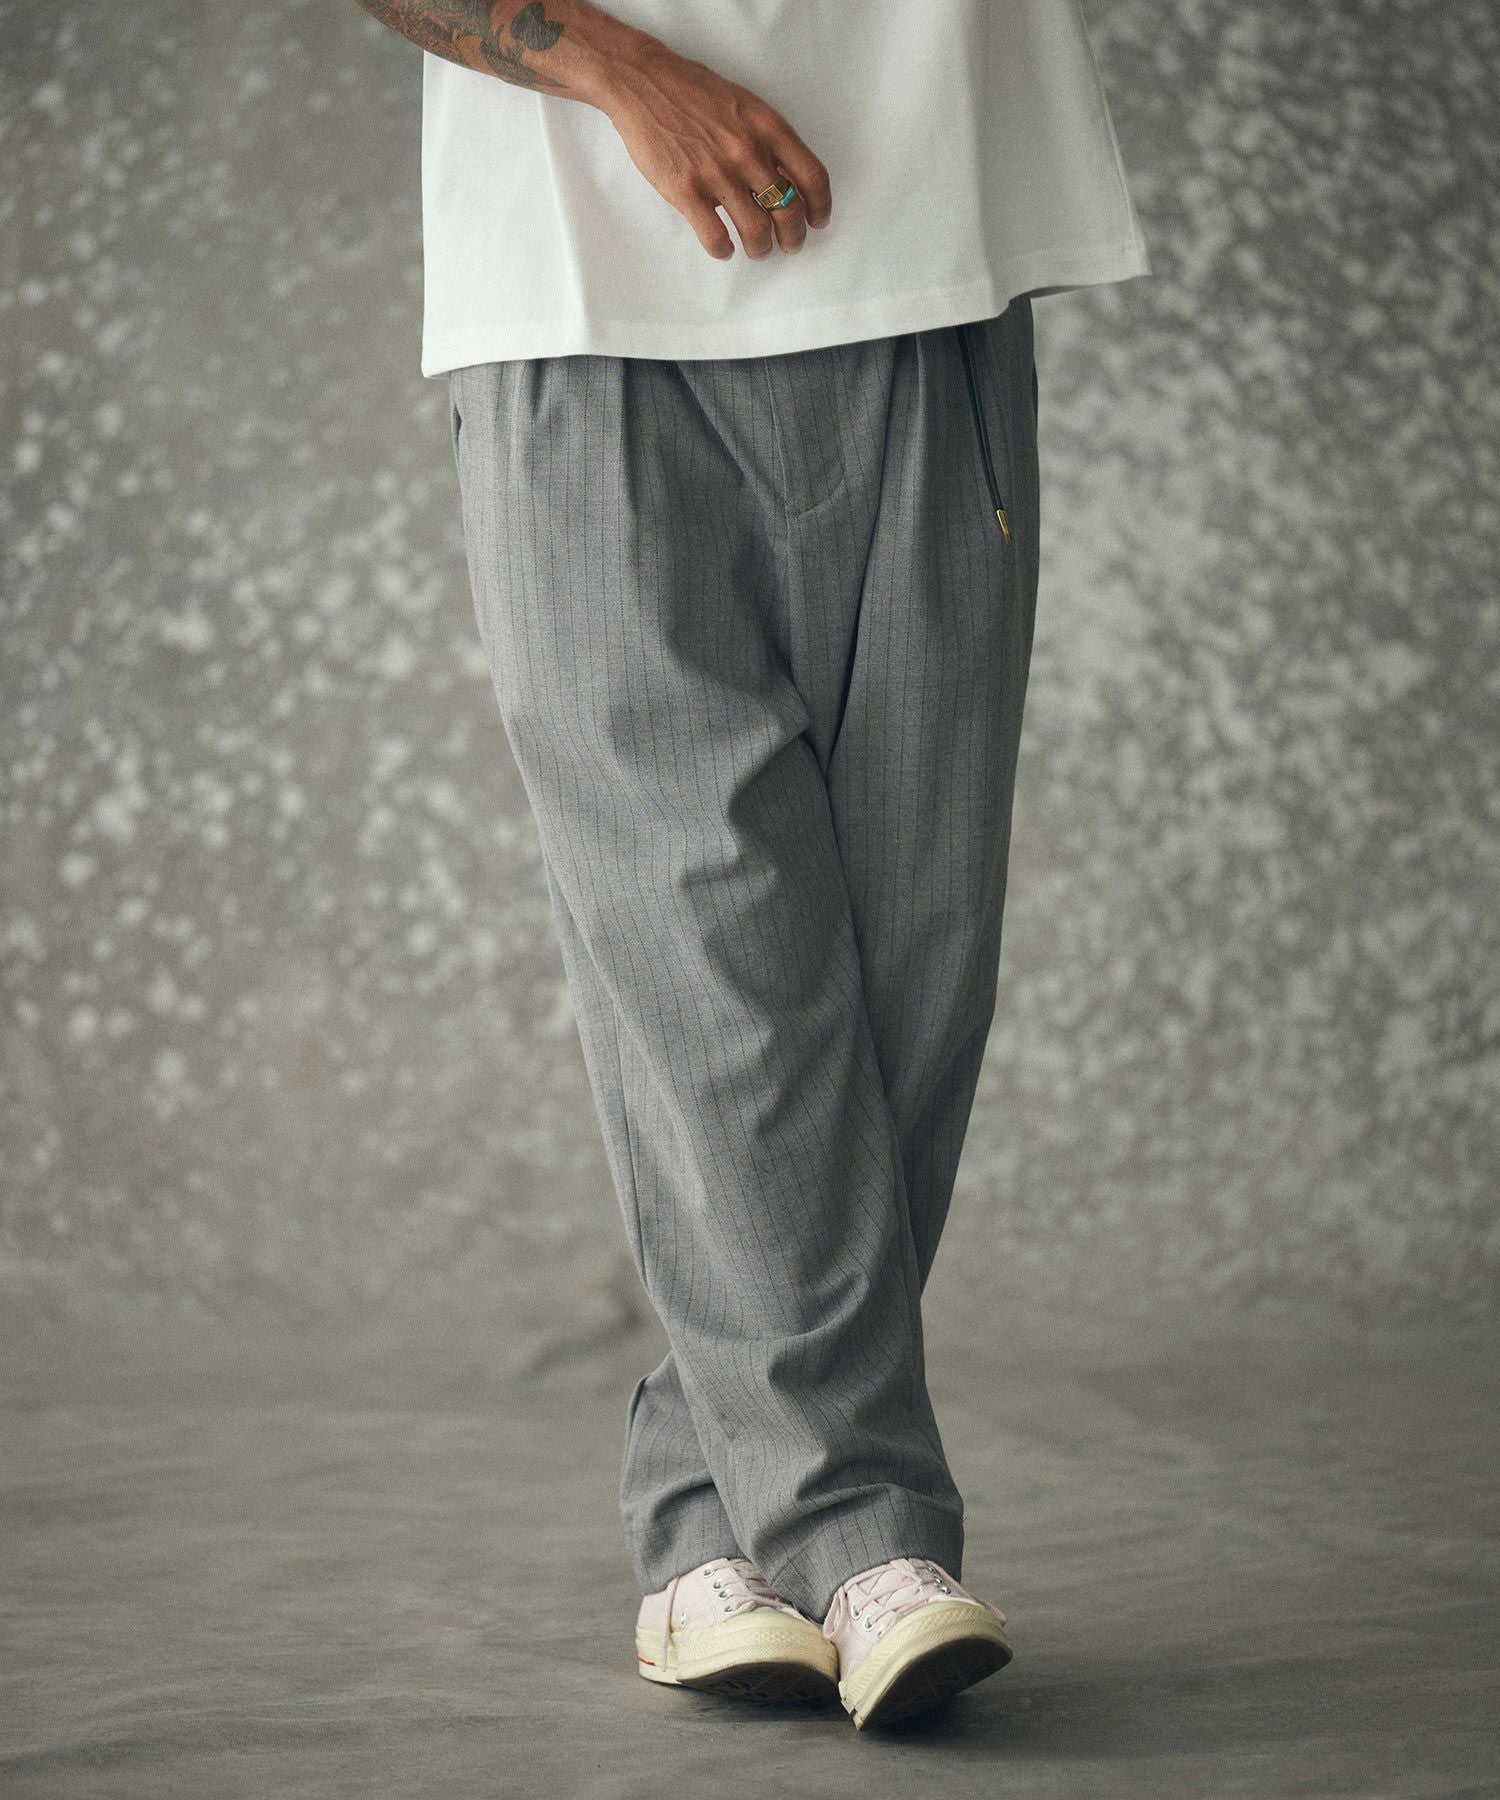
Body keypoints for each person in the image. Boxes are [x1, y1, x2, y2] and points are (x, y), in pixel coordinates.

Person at [355, 0, 1150, 1730]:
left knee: (914, 974)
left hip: (933, 271)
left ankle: (707, 1522)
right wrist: (621, 70)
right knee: (709, 958)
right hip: (581, 307)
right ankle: (867, 1539)